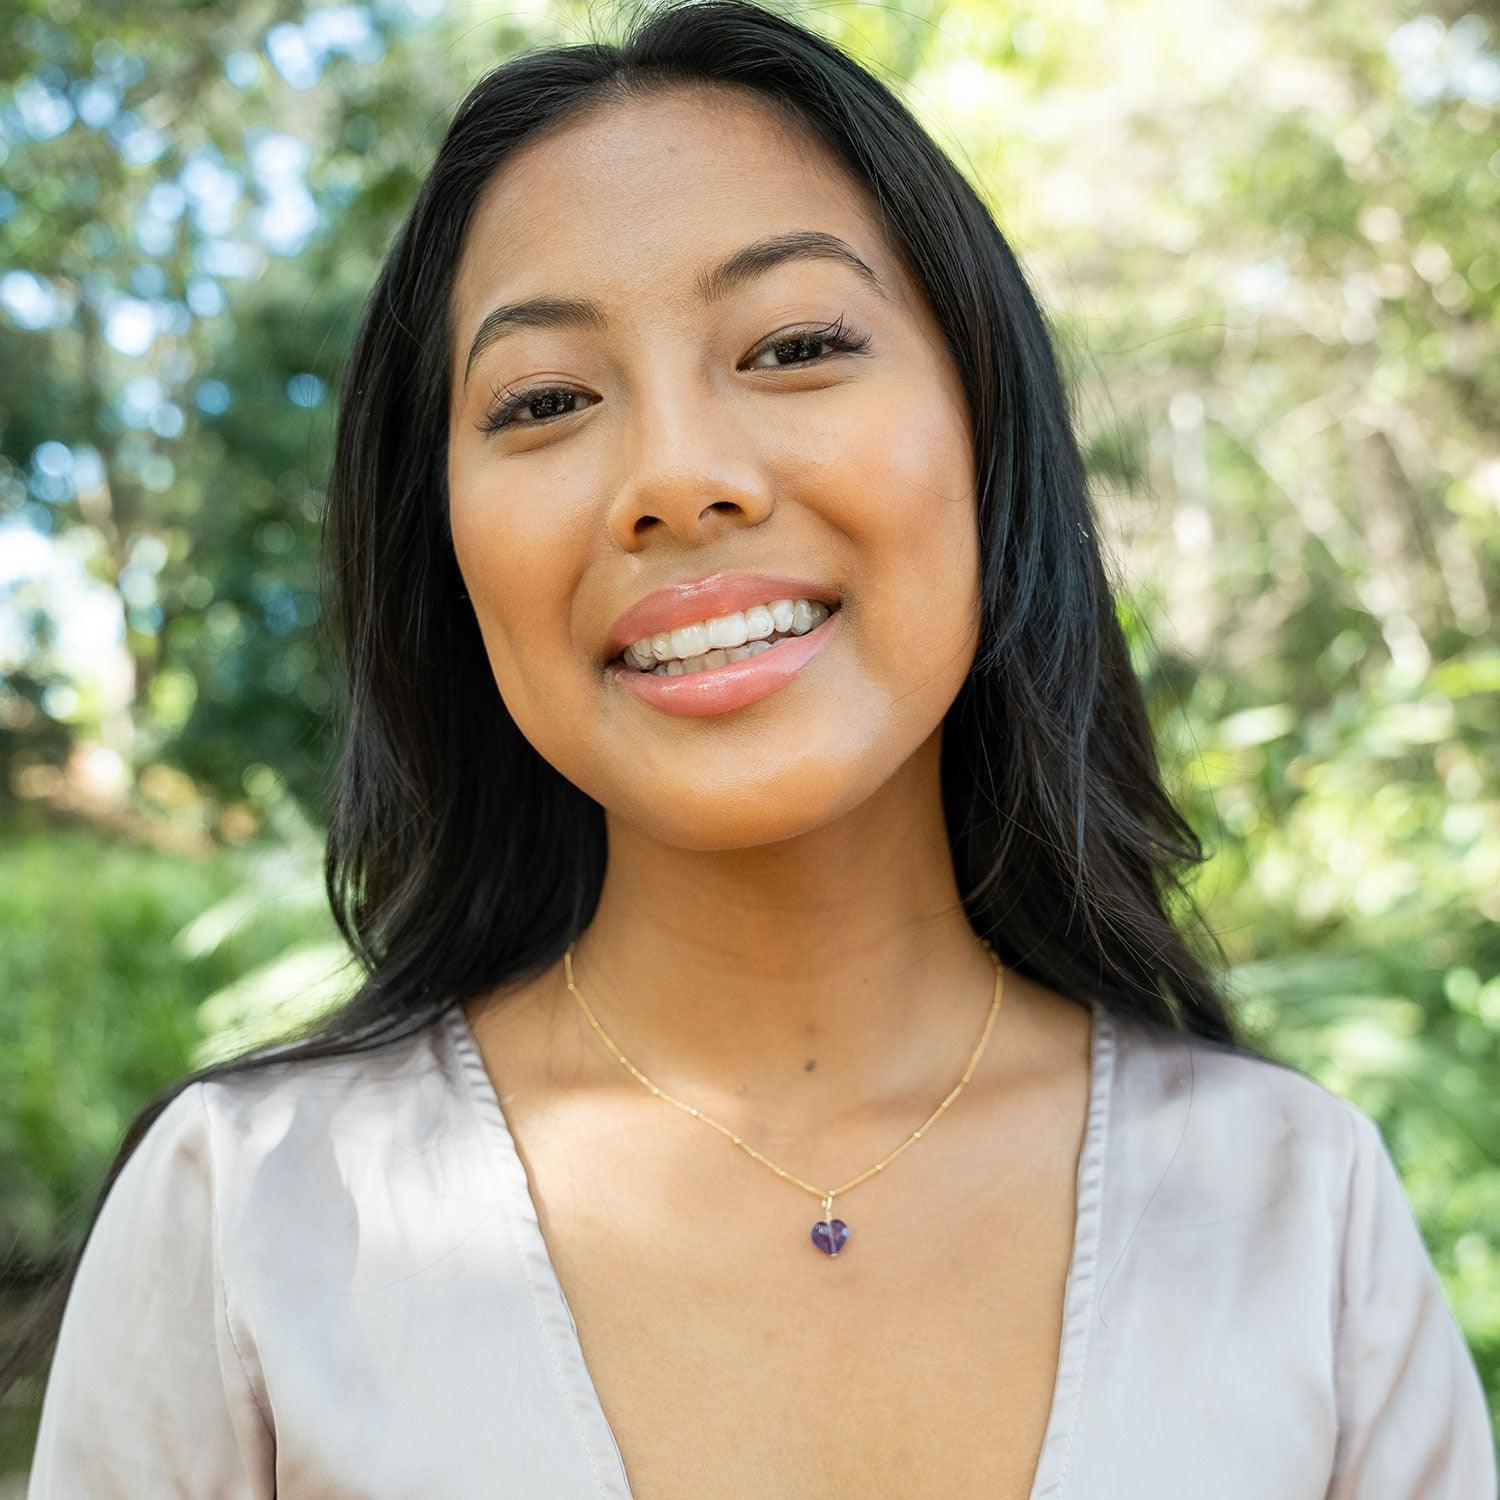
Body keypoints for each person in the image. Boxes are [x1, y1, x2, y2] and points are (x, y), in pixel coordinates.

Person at [15, 1, 1496, 1494]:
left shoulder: (1301, 1214)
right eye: (543, 401)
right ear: (443, 547)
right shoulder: (244, 1220)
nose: (676, 477)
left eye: (793, 345)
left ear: (988, 432)